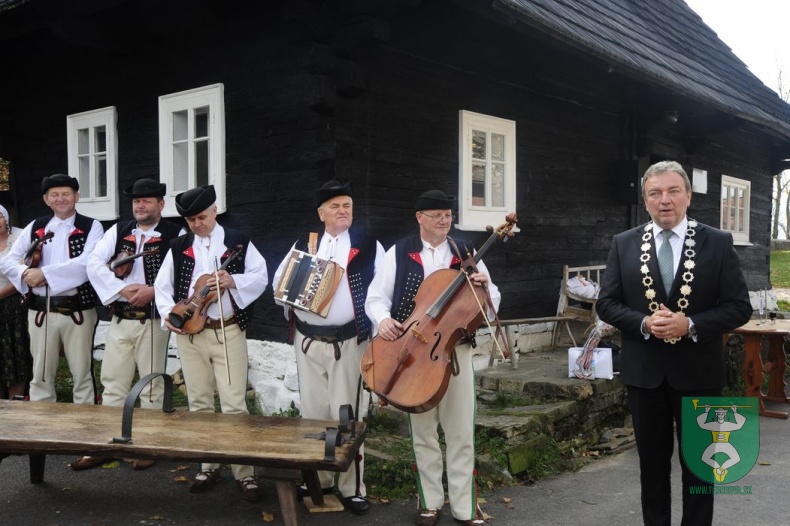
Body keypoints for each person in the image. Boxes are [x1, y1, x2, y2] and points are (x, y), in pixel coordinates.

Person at [595, 160, 752, 526]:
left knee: (700, 470)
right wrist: (645, 323)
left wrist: (691, 323)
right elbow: (607, 302)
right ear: (646, 199)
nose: (664, 200)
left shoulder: (718, 242)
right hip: (644, 377)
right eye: (655, 193)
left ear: (688, 196)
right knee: (651, 467)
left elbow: (739, 306)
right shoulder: (623, 244)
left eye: (673, 191)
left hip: (699, 375)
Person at [365, 189, 499, 526]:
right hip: (413, 355)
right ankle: (430, 502)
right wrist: (384, 321)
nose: (444, 220)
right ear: (419, 218)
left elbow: (494, 300)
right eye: (436, 214)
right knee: (423, 432)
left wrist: (485, 286)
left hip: (454, 352)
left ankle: (466, 507)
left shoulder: (465, 251)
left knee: (460, 432)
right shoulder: (400, 252)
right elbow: (376, 297)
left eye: (448, 214)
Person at [272, 180, 384, 515]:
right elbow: (279, 284)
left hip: (350, 342)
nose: (342, 211)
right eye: (335, 206)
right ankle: (317, 481)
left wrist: (377, 338)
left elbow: (379, 294)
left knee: (347, 414)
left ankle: (352, 488)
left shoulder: (366, 244)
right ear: (321, 213)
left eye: (347, 205)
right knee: (313, 413)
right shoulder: (306, 242)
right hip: (307, 343)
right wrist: (293, 296)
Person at [154, 185, 268, 502]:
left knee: (233, 404)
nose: (197, 224)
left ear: (214, 211)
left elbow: (260, 276)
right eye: (191, 220)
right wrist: (170, 315)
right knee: (199, 402)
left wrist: (234, 281)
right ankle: (208, 464)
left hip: (227, 330)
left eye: (201, 217)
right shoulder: (179, 246)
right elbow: (162, 288)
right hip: (190, 333)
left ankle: (244, 472)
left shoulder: (237, 242)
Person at [72, 179, 184, 471]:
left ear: (161, 204)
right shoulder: (119, 231)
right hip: (120, 319)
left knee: (151, 387)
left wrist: (153, 291)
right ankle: (109, 444)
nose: (140, 205)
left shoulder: (175, 233)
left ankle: (148, 444)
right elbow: (94, 263)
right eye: (136, 201)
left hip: (151, 320)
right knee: (113, 382)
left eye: (147, 201)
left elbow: (182, 273)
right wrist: (120, 289)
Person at [0, 174, 103, 405]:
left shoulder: (91, 226)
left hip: (77, 311)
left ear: (76, 196)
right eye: (54, 195)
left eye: (66, 194)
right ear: (46, 199)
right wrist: (26, 274)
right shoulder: (36, 226)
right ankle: (42, 430)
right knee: (41, 375)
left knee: (82, 374)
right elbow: (8, 261)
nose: (60, 199)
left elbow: (87, 263)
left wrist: (44, 274)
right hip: (40, 312)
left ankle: (84, 428)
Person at [0, 205, 32, 400]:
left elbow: (22, 274)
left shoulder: (19, 239)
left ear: (6, 218)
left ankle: (16, 403)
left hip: (14, 305)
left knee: (16, 353)